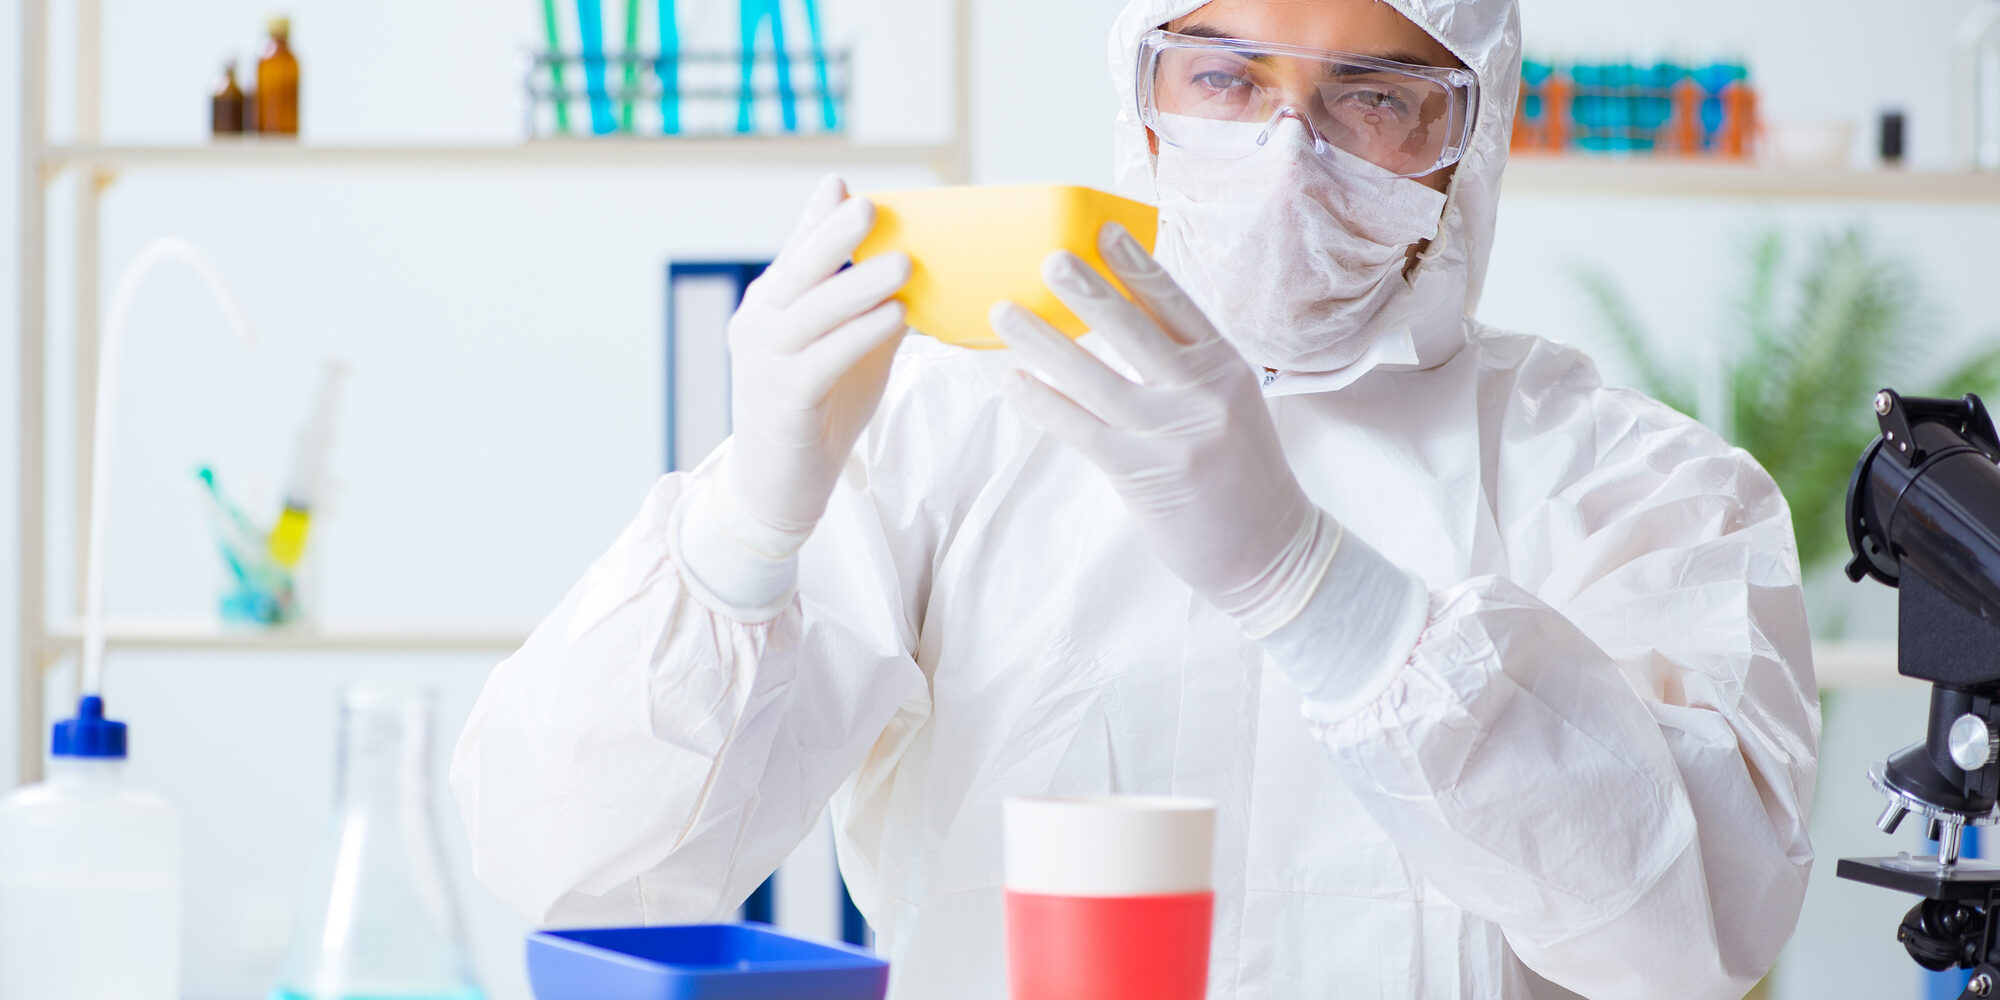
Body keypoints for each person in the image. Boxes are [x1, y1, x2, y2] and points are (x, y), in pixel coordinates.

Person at [450, 0, 1820, 996]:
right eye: (1225, 77)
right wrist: (744, 527)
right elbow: (585, 878)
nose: (1290, 155)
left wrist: (1316, 589)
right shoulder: (947, 422)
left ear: (1467, 139)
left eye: (1374, 96)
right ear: (1145, 99)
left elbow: (1696, 935)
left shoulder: (1639, 487)